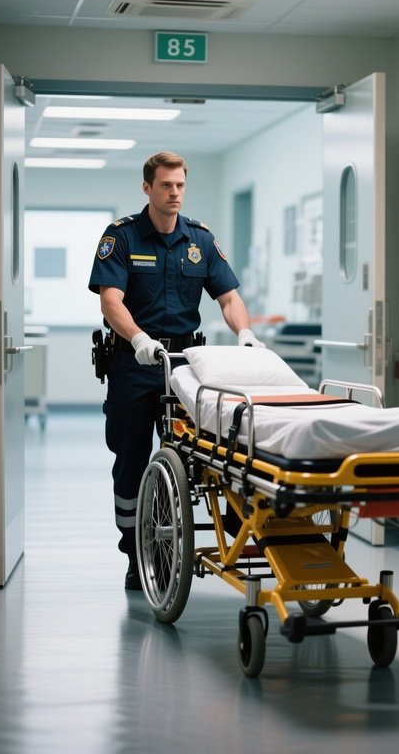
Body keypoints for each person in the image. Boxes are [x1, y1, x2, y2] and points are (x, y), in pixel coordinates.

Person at [87, 151, 263, 590]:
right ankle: (135, 553)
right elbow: (110, 300)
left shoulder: (199, 240)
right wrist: (138, 339)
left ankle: (183, 541)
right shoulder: (122, 236)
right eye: (166, 185)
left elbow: (228, 297)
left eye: (180, 185)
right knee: (131, 460)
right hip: (135, 362)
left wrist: (245, 333)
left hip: (185, 366)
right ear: (147, 188)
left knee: (196, 456)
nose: (174, 193)